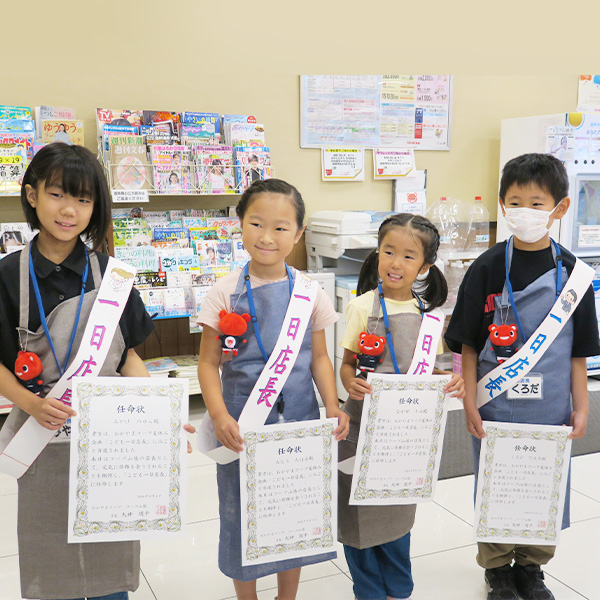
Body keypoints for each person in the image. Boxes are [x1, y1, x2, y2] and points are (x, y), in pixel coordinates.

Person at [0, 143, 189, 600]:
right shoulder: (7, 276)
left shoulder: (114, 274)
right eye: (58, 195)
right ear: (31, 195)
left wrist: (158, 416)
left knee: (111, 543)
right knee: (49, 550)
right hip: (41, 432)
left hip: (112, 434)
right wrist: (30, 403)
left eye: (83, 200)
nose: (69, 210)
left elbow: (127, 357)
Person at [445, 153, 600, 600]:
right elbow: (469, 343)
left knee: (542, 481)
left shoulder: (574, 273)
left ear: (560, 208)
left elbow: (579, 351)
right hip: (495, 402)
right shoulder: (488, 267)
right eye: (516, 202)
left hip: (552, 403)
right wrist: (471, 401)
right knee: (496, 481)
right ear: (502, 204)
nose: (526, 212)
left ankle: (531, 566)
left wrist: (582, 405)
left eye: (537, 203)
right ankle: (496, 568)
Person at [197, 178, 350, 600]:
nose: (267, 237)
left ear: (299, 233)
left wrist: (333, 405)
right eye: (256, 223)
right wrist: (218, 415)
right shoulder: (224, 291)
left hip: (298, 417)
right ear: (240, 225)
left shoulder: (309, 292)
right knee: (239, 510)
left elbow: (319, 357)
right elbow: (208, 363)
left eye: (281, 227)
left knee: (293, 511)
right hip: (240, 423)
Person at [339, 213, 465, 600]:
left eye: (408, 256)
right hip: (360, 427)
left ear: (425, 267)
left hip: (405, 436)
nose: (396, 262)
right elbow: (345, 366)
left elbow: (433, 373)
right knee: (355, 511)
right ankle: (368, 590)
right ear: (377, 254)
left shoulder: (430, 318)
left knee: (396, 515)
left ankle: (398, 589)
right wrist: (351, 383)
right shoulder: (361, 308)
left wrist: (452, 381)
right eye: (389, 251)